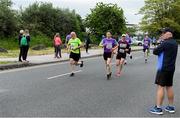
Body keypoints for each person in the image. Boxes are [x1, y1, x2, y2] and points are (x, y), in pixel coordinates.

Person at [149, 28, 178, 115]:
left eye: (164, 33)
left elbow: (155, 51)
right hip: (171, 68)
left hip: (163, 68)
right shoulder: (175, 43)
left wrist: (159, 42)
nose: (162, 34)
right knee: (169, 86)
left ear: (169, 34)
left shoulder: (165, 43)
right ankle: (171, 106)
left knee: (160, 87)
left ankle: (158, 108)